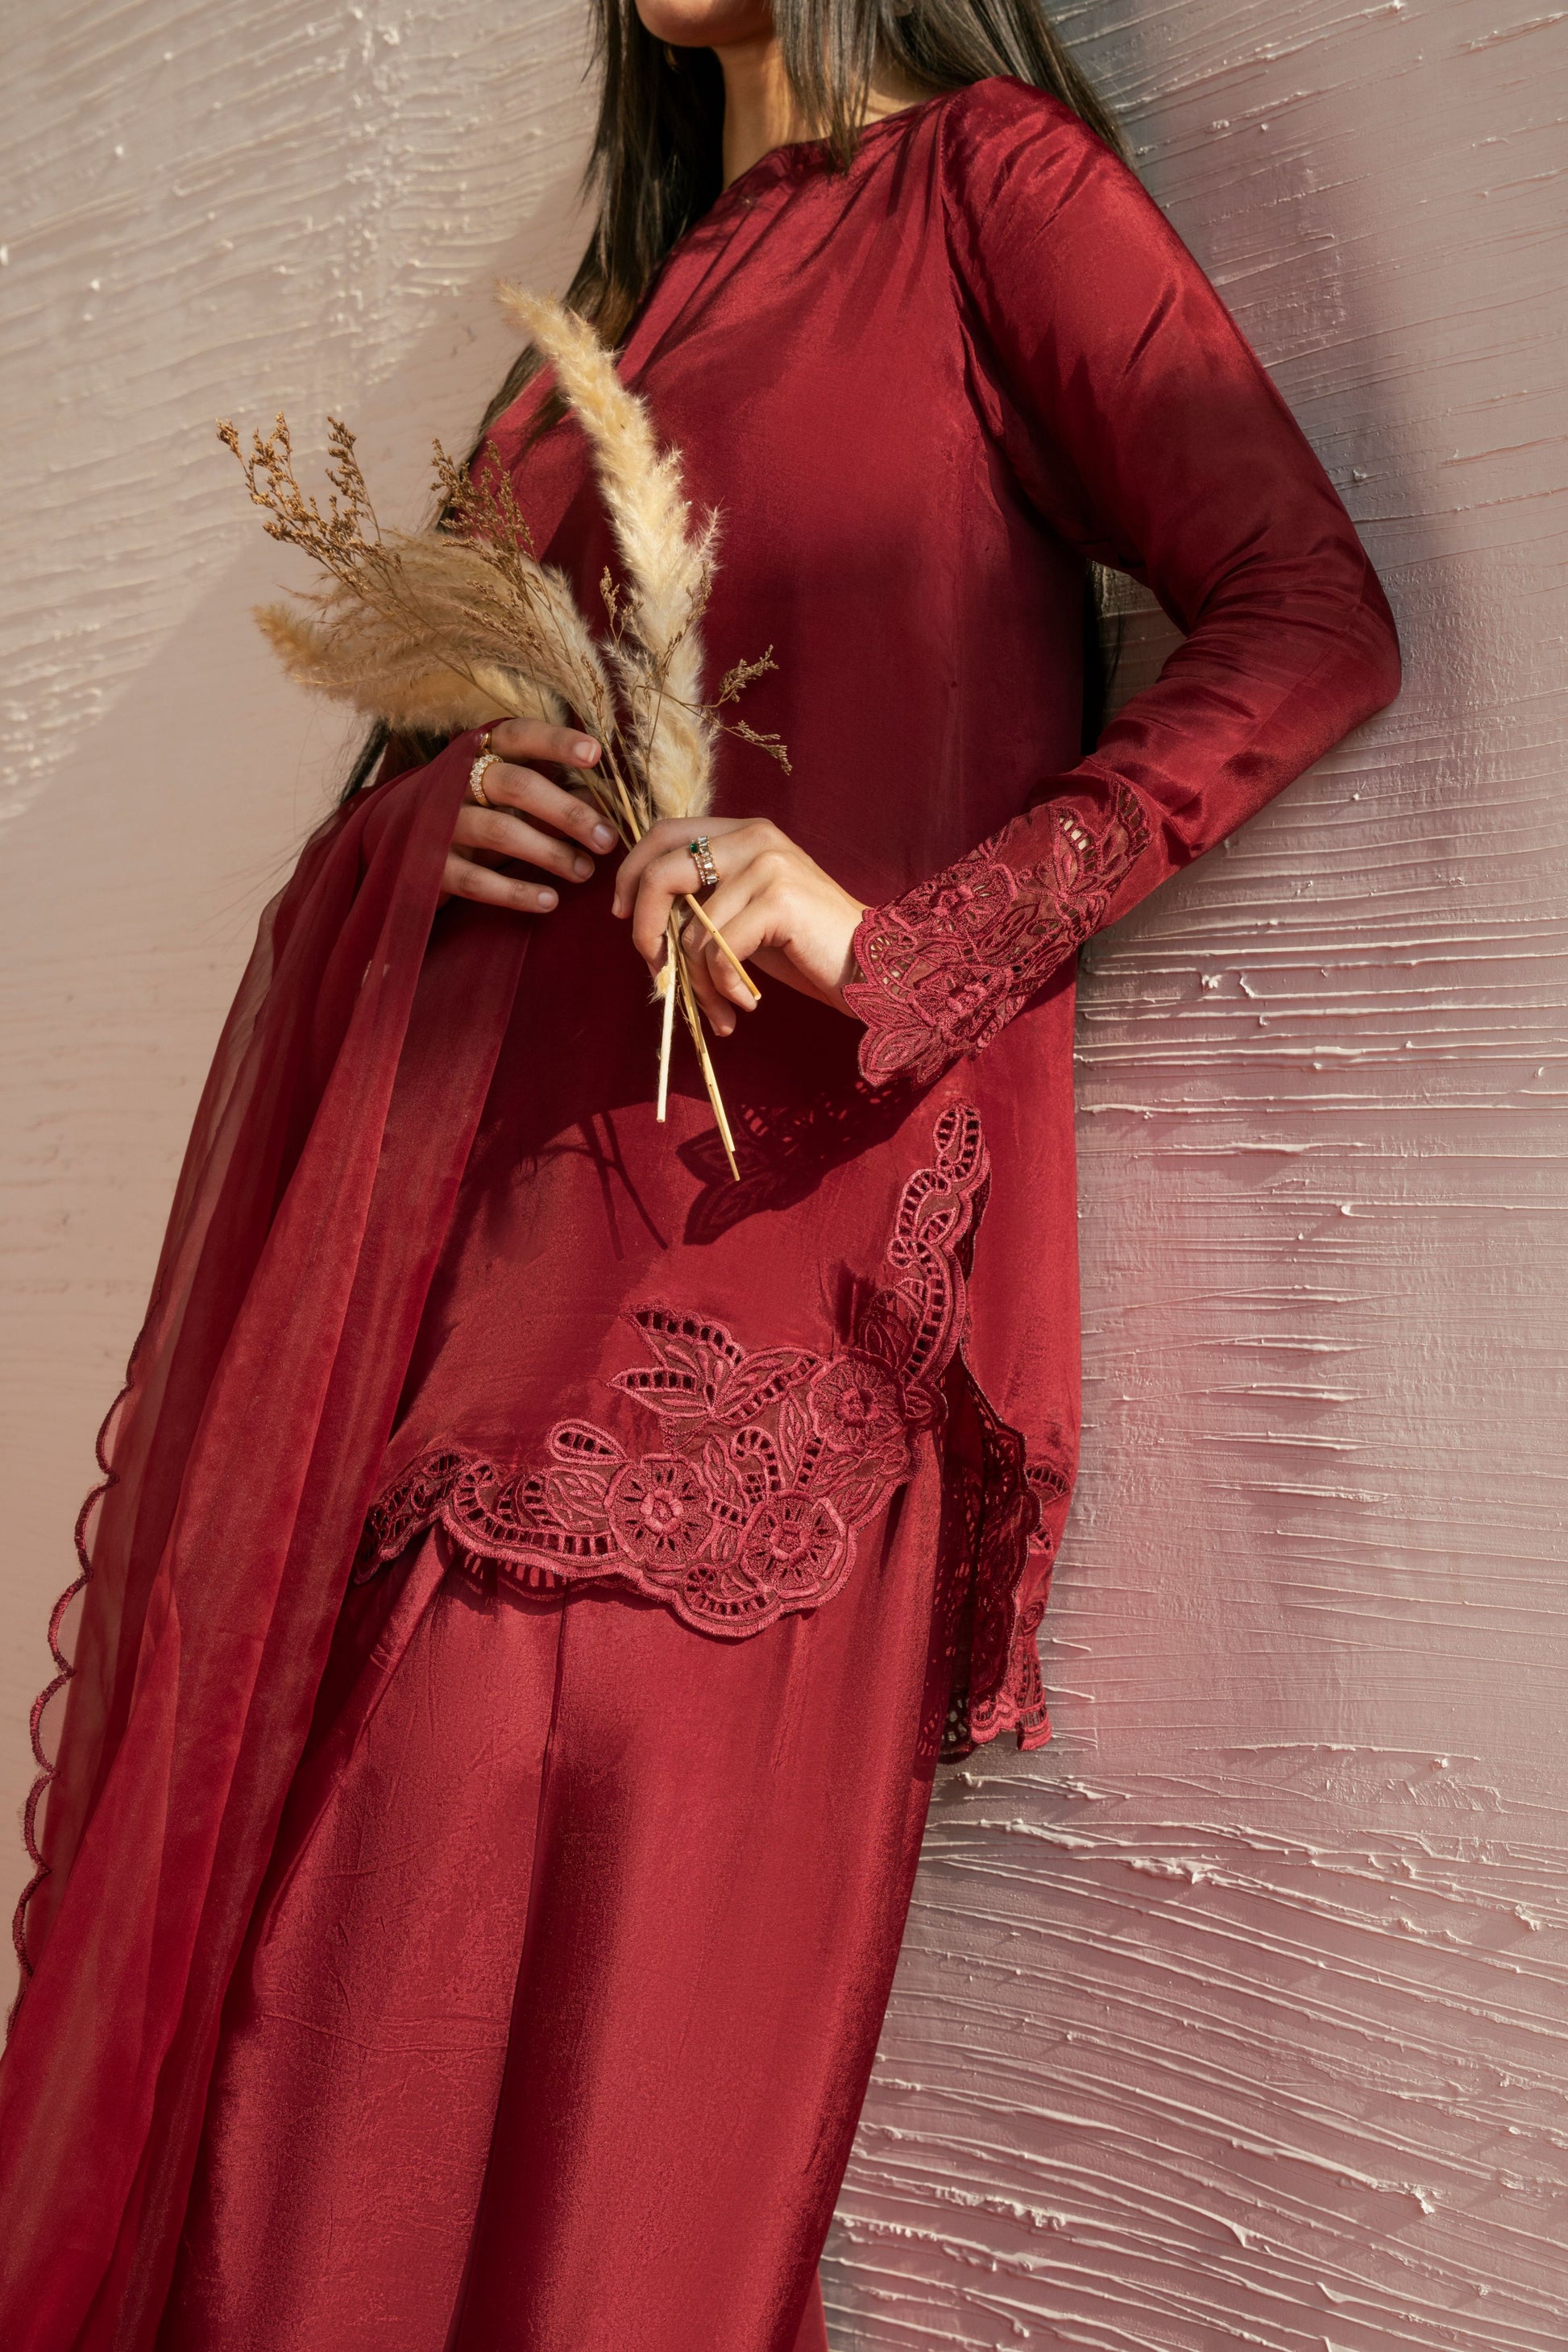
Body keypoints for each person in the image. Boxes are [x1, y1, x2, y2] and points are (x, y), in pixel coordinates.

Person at [0, 0, 1401, 2346]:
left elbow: (1308, 618)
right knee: (300, 2114)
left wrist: (907, 937)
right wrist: (420, 832)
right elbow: (433, 784)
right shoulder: (610, 319)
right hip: (463, 1310)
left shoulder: (987, 190)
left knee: (604, 2214)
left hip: (765, 1299)